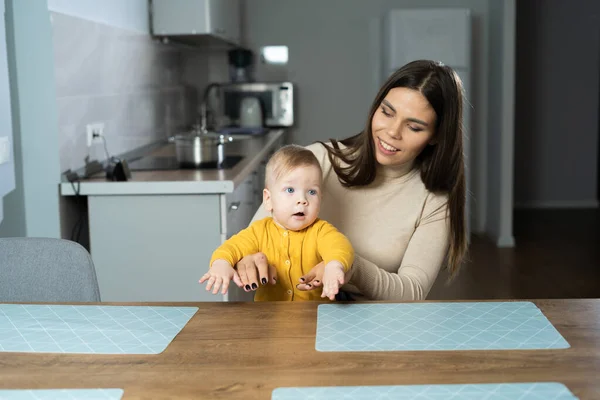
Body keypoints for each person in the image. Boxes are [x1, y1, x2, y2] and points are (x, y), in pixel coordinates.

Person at [233, 59, 468, 301]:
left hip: (371, 327)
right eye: (387, 112)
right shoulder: (318, 161)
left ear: (436, 136)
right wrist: (250, 261)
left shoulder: (434, 201)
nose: (392, 132)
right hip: (292, 317)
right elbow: (252, 239)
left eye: (414, 127)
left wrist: (349, 266)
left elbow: (412, 291)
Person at [199, 144, 354, 301]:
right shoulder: (259, 231)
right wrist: (220, 264)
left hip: (315, 316)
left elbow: (340, 245)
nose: (302, 200)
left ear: (320, 199)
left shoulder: (320, 231)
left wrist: (335, 265)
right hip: (269, 318)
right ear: (268, 199)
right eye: (290, 190)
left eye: (312, 192)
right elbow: (231, 247)